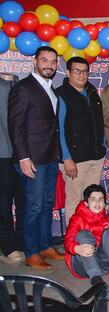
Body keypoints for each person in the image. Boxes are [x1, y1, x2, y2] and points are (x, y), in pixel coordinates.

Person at [8, 46, 64, 270]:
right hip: (32, 159)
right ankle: (31, 252)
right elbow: (16, 126)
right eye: (44, 60)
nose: (49, 65)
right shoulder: (24, 88)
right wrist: (23, 157)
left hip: (50, 157)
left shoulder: (51, 88)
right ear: (34, 62)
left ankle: (44, 246)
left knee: (47, 204)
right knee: (33, 205)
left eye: (52, 61)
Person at [56, 57, 106, 223]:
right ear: (68, 73)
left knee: (93, 199)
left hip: (96, 156)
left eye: (85, 71)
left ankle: (90, 234)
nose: (81, 75)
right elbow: (59, 129)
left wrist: (102, 145)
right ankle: (74, 240)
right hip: (75, 160)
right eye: (77, 71)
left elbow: (99, 122)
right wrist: (66, 157)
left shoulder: (92, 92)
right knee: (74, 199)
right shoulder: (62, 95)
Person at [0, 72, 24, 264]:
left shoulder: (18, 83)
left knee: (25, 201)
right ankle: (8, 246)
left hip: (23, 154)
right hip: (3, 153)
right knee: (4, 203)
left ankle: (22, 241)